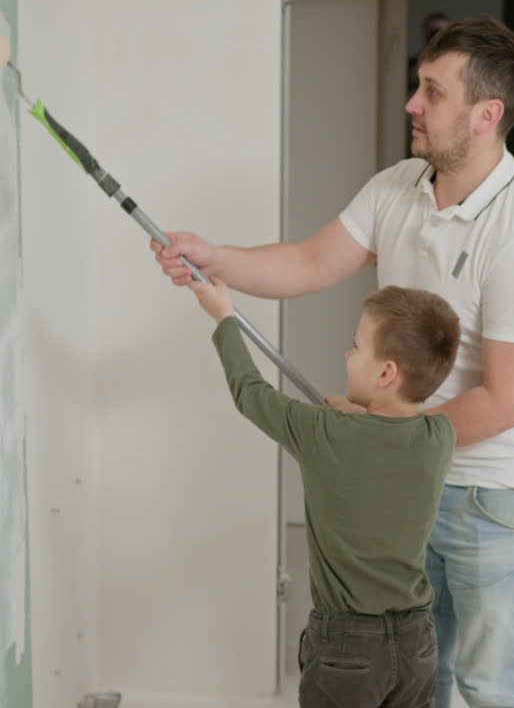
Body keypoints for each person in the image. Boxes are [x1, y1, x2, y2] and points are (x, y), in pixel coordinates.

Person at [153, 15, 514, 708]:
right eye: (417, 86)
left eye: (433, 92)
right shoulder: (400, 187)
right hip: (421, 475)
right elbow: (313, 262)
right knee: (423, 677)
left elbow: (505, 401)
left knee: (490, 684)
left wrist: (378, 439)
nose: (412, 103)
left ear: (485, 114)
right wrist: (214, 258)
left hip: (498, 490)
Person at [189, 279, 459, 707]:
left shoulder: (322, 431)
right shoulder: (440, 436)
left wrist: (224, 316)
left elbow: (250, 392)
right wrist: (359, 414)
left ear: (386, 372)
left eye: (356, 347)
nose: (346, 355)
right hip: (417, 643)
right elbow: (389, 431)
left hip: (349, 650)